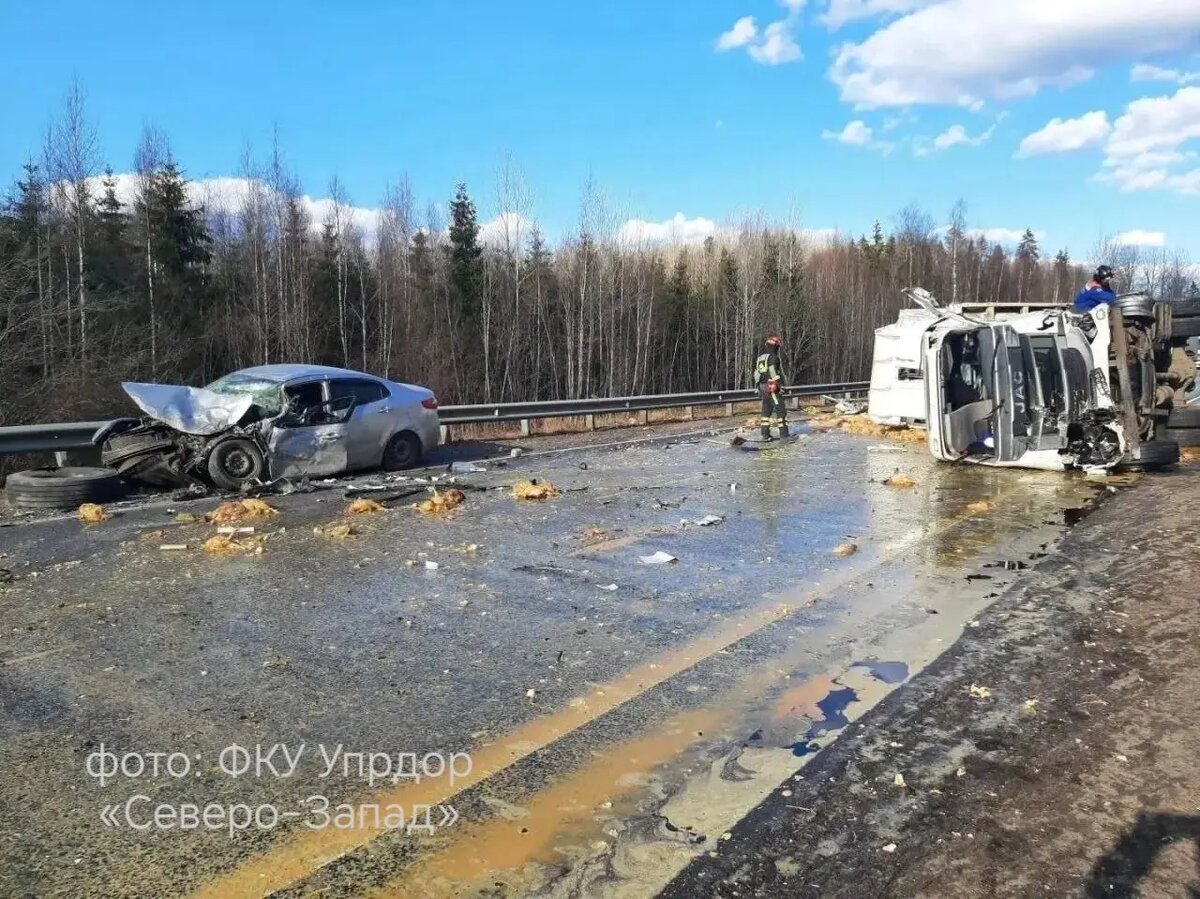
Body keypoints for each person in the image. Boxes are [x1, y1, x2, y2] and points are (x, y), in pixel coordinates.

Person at [754, 334, 789, 440]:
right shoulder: (773, 357)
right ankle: (784, 435)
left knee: (766, 410)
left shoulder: (760, 357)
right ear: (775, 346)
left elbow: (756, 373)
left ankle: (765, 434)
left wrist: (758, 385)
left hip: (762, 386)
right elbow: (773, 371)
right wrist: (778, 384)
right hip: (771, 386)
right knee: (780, 409)